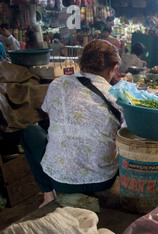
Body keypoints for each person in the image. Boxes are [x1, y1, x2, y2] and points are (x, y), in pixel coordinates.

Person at [20, 39, 124, 209]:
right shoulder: (117, 96)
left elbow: (49, 114)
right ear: (113, 68)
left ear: (82, 62)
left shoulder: (57, 84)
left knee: (31, 132)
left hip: (61, 180)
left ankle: (48, 195)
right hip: (103, 180)